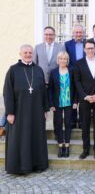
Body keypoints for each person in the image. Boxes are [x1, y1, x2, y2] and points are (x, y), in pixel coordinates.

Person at [3, 44, 49, 174]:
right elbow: (8, 92)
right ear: (20, 54)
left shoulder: (38, 70)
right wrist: (10, 112)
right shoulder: (13, 70)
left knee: (36, 137)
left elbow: (43, 92)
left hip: (36, 111)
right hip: (19, 112)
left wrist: (45, 109)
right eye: (26, 53)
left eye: (30, 52)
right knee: (21, 138)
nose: (28, 55)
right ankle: (21, 167)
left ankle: (37, 164)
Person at [73, 40, 95, 159]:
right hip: (85, 99)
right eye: (88, 48)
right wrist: (85, 96)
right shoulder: (78, 64)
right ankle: (85, 149)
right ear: (84, 50)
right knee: (85, 125)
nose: (90, 50)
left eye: (92, 48)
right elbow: (77, 82)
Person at [48, 51, 78, 158]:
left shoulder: (72, 70)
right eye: (61, 58)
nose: (63, 60)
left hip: (69, 102)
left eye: (65, 59)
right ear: (58, 60)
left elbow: (76, 87)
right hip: (57, 103)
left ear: (67, 60)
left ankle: (67, 146)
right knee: (58, 123)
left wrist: (75, 101)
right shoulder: (53, 72)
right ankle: (60, 146)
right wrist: (51, 103)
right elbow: (50, 89)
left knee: (68, 123)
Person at [65, 24, 86, 129]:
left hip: (84, 74)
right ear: (73, 33)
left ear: (83, 33)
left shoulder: (88, 43)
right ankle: (72, 121)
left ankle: (82, 121)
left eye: (80, 32)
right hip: (71, 73)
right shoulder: (67, 44)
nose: (78, 34)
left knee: (83, 97)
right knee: (72, 96)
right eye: (76, 32)